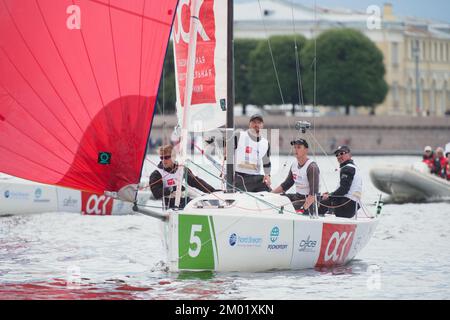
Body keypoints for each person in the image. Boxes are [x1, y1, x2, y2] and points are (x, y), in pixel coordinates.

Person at [149, 144, 216, 209]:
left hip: (184, 200)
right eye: (161, 158)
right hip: (170, 206)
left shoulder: (181, 169)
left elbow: (196, 182)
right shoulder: (157, 173)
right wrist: (171, 189)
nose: (163, 160)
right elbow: (156, 193)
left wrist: (213, 191)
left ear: (173, 157)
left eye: (166, 157)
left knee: (202, 203)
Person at [271, 139, 320, 214]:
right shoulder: (294, 165)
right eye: (295, 147)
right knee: (277, 199)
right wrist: (270, 194)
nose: (296, 150)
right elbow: (286, 184)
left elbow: (313, 194)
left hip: (309, 200)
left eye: (299, 147)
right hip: (297, 197)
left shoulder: (312, 167)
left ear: (306, 150)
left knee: (285, 207)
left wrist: (303, 209)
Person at [318, 145, 362, 218]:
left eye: (342, 153)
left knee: (321, 201)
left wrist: (329, 196)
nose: (339, 156)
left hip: (347, 207)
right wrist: (330, 194)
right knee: (325, 198)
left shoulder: (347, 168)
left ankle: (313, 220)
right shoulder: (353, 167)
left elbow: (343, 190)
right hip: (352, 206)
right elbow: (344, 189)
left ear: (349, 155)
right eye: (337, 155)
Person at [234, 113, 272, 192]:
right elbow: (227, 152)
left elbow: (266, 162)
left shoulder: (265, 143)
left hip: (255, 177)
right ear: (249, 124)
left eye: (259, 123)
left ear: (262, 125)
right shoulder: (239, 135)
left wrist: (267, 175)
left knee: (270, 193)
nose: (256, 124)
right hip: (238, 176)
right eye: (254, 122)